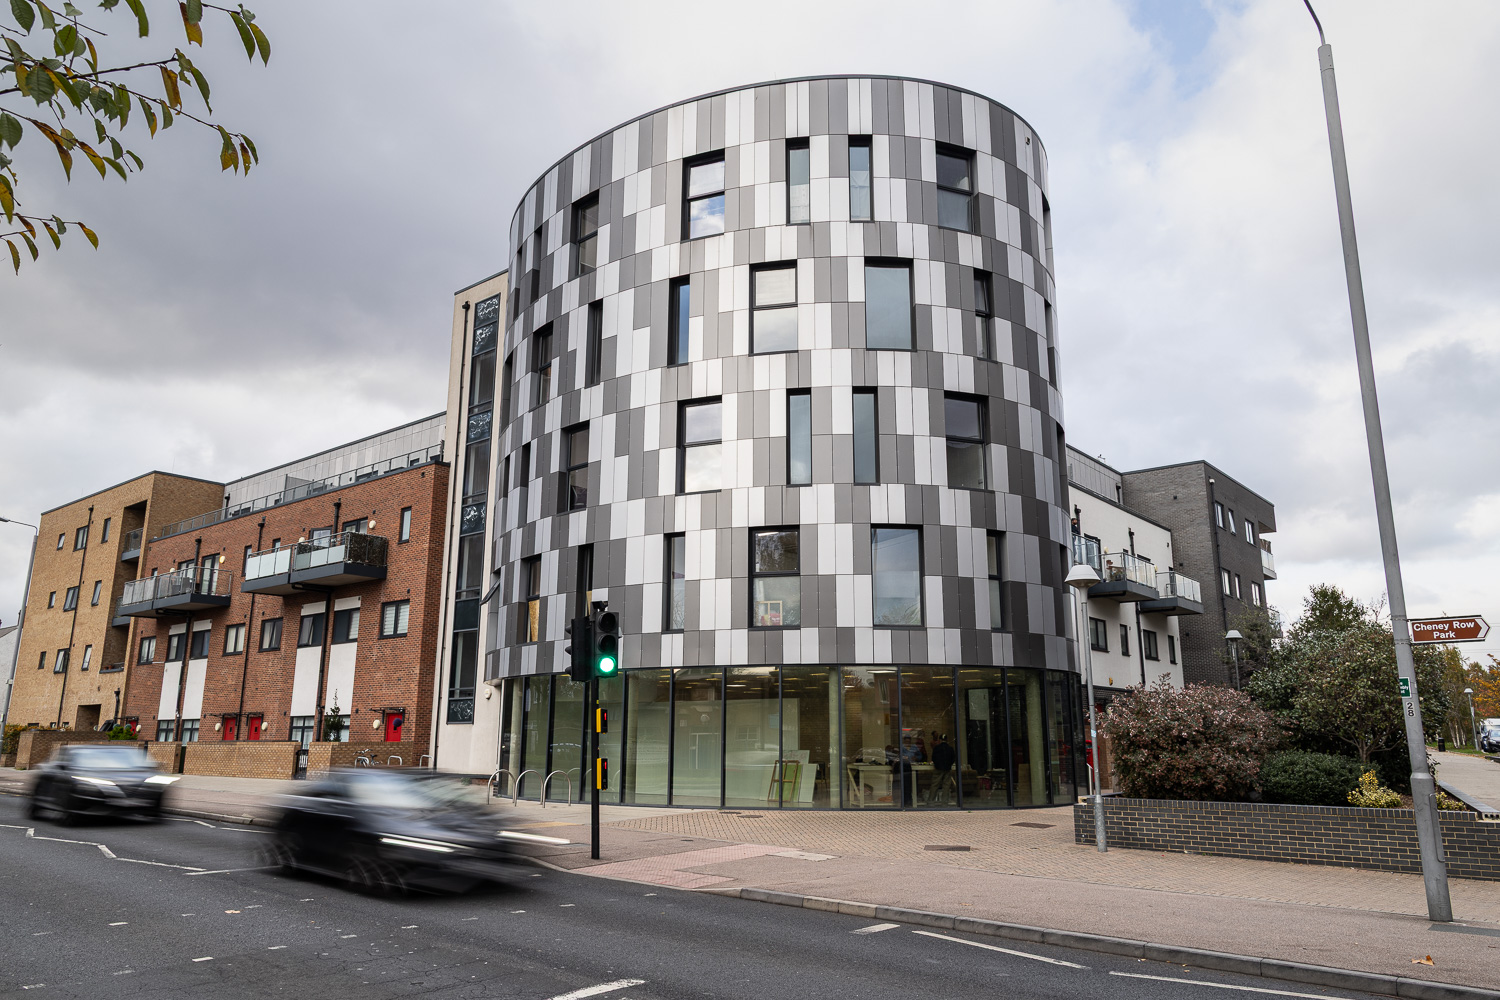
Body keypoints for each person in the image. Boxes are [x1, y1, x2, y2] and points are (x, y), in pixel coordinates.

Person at [928, 734, 956, 805]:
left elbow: (933, 758)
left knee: (935, 785)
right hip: (947, 769)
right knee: (946, 786)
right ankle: (945, 802)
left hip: (938, 769)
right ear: (947, 740)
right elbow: (953, 758)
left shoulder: (936, 748)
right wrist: (948, 765)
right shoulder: (950, 748)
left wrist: (937, 765)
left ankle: (931, 801)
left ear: (939, 740)